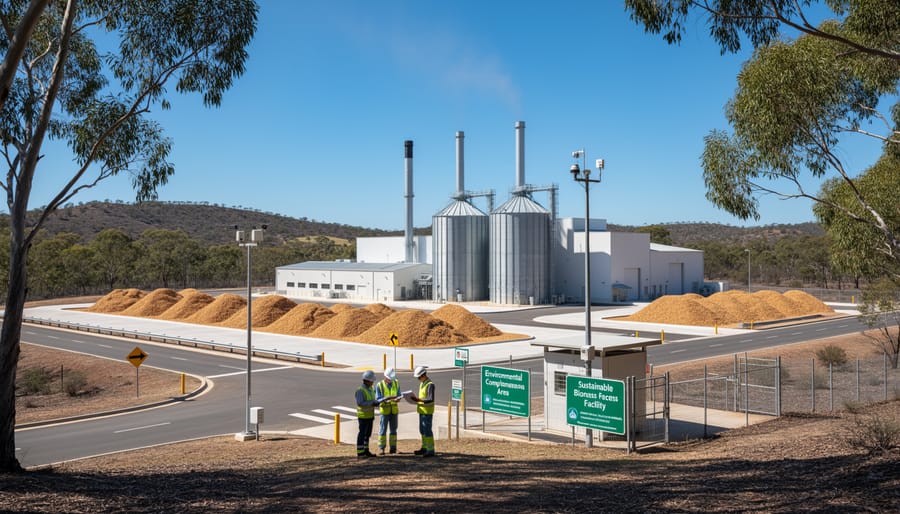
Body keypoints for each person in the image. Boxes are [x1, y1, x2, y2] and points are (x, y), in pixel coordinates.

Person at [409, 365, 435, 457]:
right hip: (421, 411)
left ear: (423, 375)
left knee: (427, 431)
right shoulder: (422, 383)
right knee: (422, 430)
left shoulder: (430, 385)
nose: (418, 379)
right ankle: (424, 448)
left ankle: (430, 450)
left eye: (419, 377)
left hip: (427, 412)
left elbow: (430, 399)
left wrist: (418, 400)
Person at [374, 367, 400, 455]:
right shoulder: (379, 385)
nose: (390, 380)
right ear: (385, 377)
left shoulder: (396, 383)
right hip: (384, 411)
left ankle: (393, 448)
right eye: (389, 379)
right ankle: (381, 448)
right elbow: (378, 399)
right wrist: (387, 399)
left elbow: (399, 395)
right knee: (383, 430)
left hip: (394, 410)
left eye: (391, 379)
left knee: (393, 430)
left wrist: (398, 399)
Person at [355, 370, 380, 459]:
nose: (373, 382)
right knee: (362, 434)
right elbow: (360, 403)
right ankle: (360, 452)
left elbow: (372, 399)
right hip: (363, 416)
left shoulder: (370, 389)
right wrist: (372, 403)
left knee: (367, 434)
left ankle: (366, 450)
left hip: (370, 415)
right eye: (372, 381)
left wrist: (376, 402)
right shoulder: (360, 390)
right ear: (367, 380)